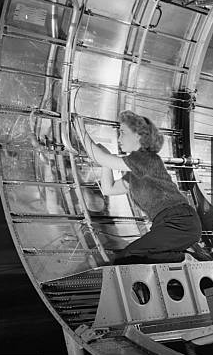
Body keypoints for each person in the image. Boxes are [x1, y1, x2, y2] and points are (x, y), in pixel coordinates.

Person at [77, 111, 202, 265]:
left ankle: (185, 259)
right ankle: (183, 258)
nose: (119, 138)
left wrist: (81, 130)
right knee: (132, 259)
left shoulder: (144, 158)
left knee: (130, 256)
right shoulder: (135, 174)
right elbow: (108, 189)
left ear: (138, 135)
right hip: (168, 224)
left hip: (179, 222)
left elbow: (100, 157)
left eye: (122, 133)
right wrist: (105, 161)